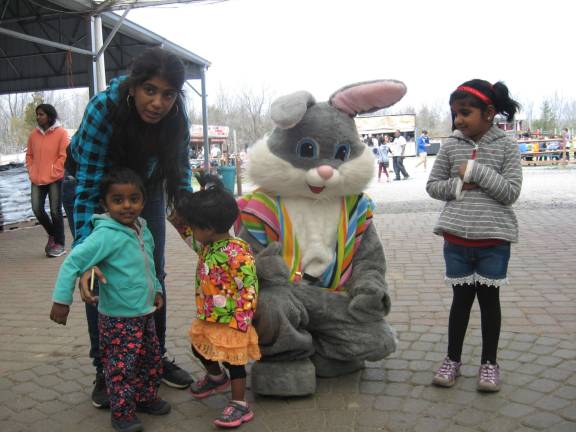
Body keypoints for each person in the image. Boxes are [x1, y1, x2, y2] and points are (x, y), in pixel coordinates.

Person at [66, 47, 194, 408]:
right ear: (134, 86)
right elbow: (90, 187)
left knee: (152, 271)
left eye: (168, 94)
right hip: (96, 187)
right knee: (102, 277)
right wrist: (86, 255)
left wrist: (204, 236)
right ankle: (105, 370)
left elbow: (180, 181)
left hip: (146, 187)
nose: (157, 103)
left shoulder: (176, 119)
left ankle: (153, 360)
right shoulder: (103, 109)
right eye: (150, 90)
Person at [50, 167, 171, 432]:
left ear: (143, 200)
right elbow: (73, 262)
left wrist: (158, 290)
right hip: (118, 318)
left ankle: (146, 398)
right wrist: (62, 300)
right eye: (118, 200)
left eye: (134, 198)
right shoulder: (104, 235)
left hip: (145, 312)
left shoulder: (143, 228)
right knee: (120, 367)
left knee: (150, 358)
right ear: (105, 203)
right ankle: (123, 413)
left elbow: (150, 264)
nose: (127, 206)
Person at [426, 79, 522, 393]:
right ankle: (452, 360)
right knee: (461, 302)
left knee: (489, 303)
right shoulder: (451, 144)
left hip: (494, 242)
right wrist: (456, 186)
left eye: (465, 113)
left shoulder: (506, 146)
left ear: (489, 112)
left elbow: (510, 192)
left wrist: (476, 172)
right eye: (455, 114)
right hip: (456, 240)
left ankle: (489, 364)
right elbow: (433, 185)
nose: (458, 120)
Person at [169, 176, 260, 429]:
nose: (191, 230)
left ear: (207, 227)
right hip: (208, 317)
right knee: (198, 347)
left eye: (194, 225)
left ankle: (239, 403)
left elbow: (249, 286)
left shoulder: (237, 251)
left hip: (233, 320)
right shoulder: (207, 245)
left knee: (236, 363)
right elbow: (181, 225)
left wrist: (242, 319)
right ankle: (216, 377)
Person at [25, 104, 69, 257]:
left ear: (50, 116)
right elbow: (29, 155)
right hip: (37, 179)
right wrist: (31, 170)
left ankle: (60, 244)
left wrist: (54, 171)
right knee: (37, 208)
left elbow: (64, 156)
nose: (38, 117)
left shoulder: (61, 133)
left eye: (41, 114)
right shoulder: (33, 135)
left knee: (56, 211)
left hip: (55, 178)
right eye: (37, 114)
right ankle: (52, 234)